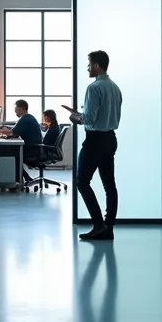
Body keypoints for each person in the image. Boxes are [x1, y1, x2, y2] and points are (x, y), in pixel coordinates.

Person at [67, 50, 122, 241]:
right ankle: (109, 227)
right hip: (110, 139)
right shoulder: (115, 88)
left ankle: (98, 225)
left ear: (97, 65)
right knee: (109, 185)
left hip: (95, 141)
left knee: (82, 182)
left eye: (89, 64)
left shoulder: (94, 88)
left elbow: (89, 120)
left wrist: (75, 117)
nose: (88, 68)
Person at [0, 99, 43, 184]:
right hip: (33, 148)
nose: (15, 112)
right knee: (10, 152)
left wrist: (0, 131)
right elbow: (15, 129)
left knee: (8, 153)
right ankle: (25, 177)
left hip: (31, 150)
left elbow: (13, 133)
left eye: (16, 110)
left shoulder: (25, 118)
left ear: (22, 108)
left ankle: (17, 181)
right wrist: (5, 129)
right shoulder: (28, 117)